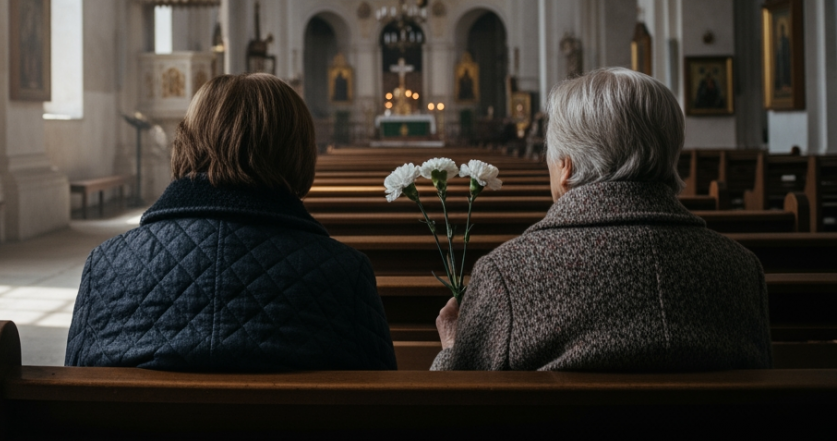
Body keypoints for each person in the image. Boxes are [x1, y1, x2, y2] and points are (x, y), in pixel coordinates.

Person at [432, 68, 771, 371]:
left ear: (566, 166)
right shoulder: (741, 269)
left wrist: (452, 349)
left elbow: (457, 414)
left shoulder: (507, 274)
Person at [66, 73, 396, 372]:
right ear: (299, 151)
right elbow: (383, 411)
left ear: (186, 140)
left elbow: (74, 402)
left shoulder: (105, 265)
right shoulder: (345, 273)